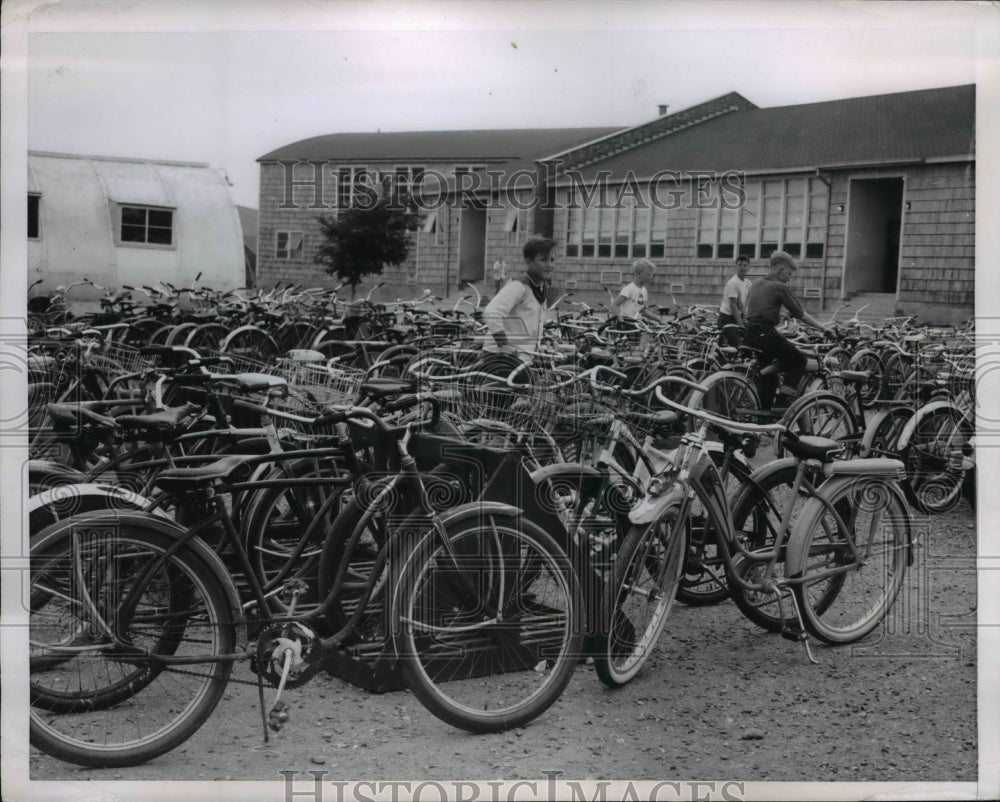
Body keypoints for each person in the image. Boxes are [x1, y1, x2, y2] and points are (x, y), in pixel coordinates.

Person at [744, 250, 833, 411]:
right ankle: (783, 402)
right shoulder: (779, 287)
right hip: (766, 333)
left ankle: (764, 414)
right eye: (789, 274)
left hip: (750, 333)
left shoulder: (756, 283)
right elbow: (800, 314)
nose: (789, 278)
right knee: (798, 360)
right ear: (780, 270)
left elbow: (752, 309)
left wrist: (777, 315)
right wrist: (823, 328)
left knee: (768, 377)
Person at [483, 236, 556, 358]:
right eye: (543, 260)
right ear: (529, 262)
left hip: (523, 358)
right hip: (502, 359)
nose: (550, 265)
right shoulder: (519, 286)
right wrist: (505, 345)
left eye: (552, 260)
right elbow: (492, 312)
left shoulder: (541, 287)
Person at [612, 259, 662, 327]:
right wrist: (619, 317)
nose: (651, 277)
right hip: (626, 325)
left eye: (651, 275)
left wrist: (658, 319)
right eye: (648, 275)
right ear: (638, 274)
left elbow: (642, 311)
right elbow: (614, 305)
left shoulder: (644, 290)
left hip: (636, 325)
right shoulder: (629, 289)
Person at [717, 255, 751, 347]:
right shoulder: (733, 282)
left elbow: (742, 304)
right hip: (727, 318)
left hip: (736, 316)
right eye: (740, 265)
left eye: (745, 265)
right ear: (736, 266)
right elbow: (733, 306)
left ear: (748, 267)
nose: (742, 268)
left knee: (750, 338)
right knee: (737, 345)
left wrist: (746, 317)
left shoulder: (747, 283)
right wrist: (741, 325)